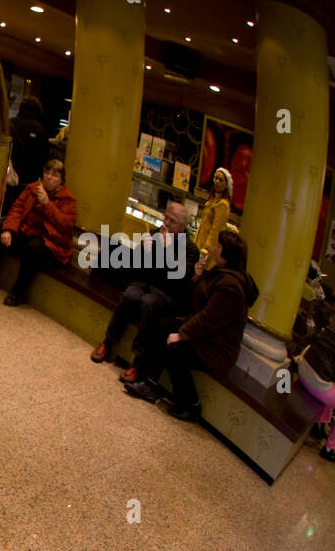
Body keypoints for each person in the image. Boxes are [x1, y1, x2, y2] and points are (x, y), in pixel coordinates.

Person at [125, 228, 258, 421]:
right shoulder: (221, 274)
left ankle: (191, 404)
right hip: (206, 338)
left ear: (227, 253)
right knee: (162, 326)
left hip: (216, 350)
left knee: (174, 348)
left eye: (219, 246)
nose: (215, 248)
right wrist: (196, 278)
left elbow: (209, 318)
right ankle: (149, 381)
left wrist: (181, 333)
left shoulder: (231, 286)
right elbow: (199, 304)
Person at [90, 201, 200, 383]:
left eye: (171, 221)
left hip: (167, 294)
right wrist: (144, 251)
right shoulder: (155, 234)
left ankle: (138, 361)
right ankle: (108, 342)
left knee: (148, 303)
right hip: (145, 283)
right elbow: (137, 267)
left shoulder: (190, 249)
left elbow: (178, 278)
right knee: (130, 295)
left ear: (182, 227)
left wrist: (165, 252)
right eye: (165, 217)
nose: (165, 222)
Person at [0, 157, 77, 306]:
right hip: (27, 232)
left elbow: (66, 226)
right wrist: (8, 230)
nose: (49, 177)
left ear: (61, 180)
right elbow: (17, 209)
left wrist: (47, 204)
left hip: (50, 243)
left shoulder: (68, 200)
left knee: (33, 248)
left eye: (55, 175)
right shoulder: (32, 188)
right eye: (47, 172)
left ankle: (17, 293)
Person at [193, 167, 232, 273]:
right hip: (199, 244)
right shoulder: (213, 199)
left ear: (226, 184)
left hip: (205, 252)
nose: (217, 182)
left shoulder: (222, 205)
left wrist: (205, 252)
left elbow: (215, 232)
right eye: (216, 178)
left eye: (221, 180)